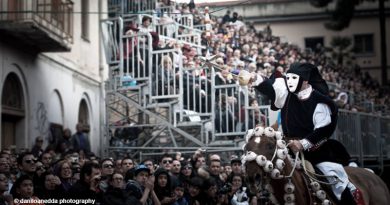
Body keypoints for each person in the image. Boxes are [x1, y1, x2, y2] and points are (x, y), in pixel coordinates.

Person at [251, 62, 364, 205]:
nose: (289, 82)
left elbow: (324, 129)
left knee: (335, 179)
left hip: (316, 150)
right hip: (287, 148)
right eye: (288, 78)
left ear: (305, 81)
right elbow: (271, 89)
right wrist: (255, 79)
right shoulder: (287, 94)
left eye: (293, 78)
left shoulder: (320, 102)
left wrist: (303, 143)